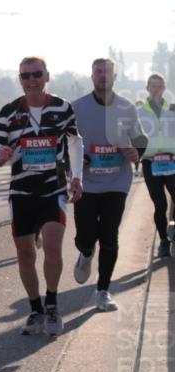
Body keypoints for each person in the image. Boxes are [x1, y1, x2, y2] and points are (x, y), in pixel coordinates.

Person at [0, 56, 83, 337]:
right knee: (25, 253)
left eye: (36, 74)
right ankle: (35, 308)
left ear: (47, 76)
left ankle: (52, 303)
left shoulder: (62, 108)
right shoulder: (9, 111)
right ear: (20, 80)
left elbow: (76, 141)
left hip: (53, 188)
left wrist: (78, 177)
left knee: (53, 247)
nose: (31, 80)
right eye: (26, 76)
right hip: (21, 192)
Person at [71, 59, 146, 310]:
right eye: (99, 72)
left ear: (115, 77)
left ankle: (103, 291)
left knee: (110, 237)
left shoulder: (126, 107)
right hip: (87, 183)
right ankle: (86, 252)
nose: (103, 76)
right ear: (92, 76)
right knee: (85, 237)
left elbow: (139, 138)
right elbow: (65, 143)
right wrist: (81, 158)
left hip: (117, 181)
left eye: (108, 72)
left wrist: (137, 151)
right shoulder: (77, 108)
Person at [138, 73, 175, 257]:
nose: (156, 89)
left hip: (172, 162)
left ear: (164, 88)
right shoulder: (139, 112)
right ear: (147, 88)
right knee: (160, 205)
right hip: (151, 163)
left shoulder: (173, 109)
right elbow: (134, 138)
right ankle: (163, 241)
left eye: (159, 86)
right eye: (152, 86)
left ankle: (173, 230)